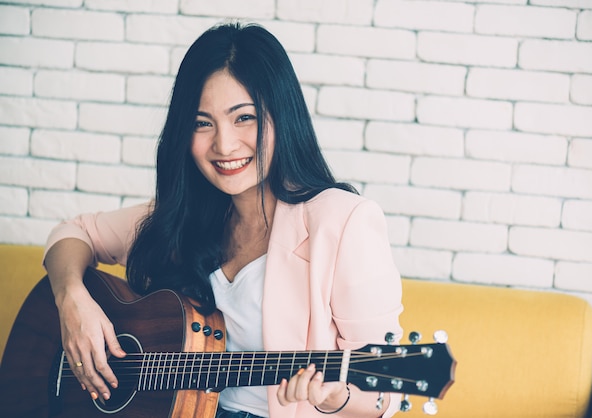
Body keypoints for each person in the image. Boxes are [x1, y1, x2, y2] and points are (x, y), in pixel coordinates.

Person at [43, 21, 403, 418]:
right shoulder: (182, 216)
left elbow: (384, 392)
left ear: (281, 116)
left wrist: (337, 397)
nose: (224, 145)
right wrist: (72, 300)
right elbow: (72, 233)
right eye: (202, 123)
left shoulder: (344, 222)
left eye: (243, 117)